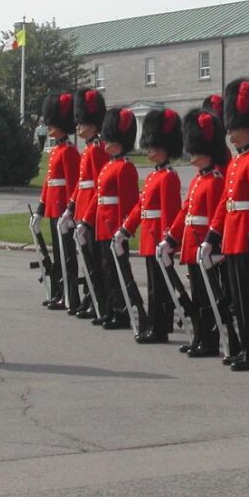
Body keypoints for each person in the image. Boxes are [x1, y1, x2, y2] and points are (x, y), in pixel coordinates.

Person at [202, 78, 249, 371]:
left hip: (246, 235)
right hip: (232, 234)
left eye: (233, 128)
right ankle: (244, 347)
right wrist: (213, 234)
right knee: (237, 298)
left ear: (248, 128)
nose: (229, 133)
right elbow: (225, 203)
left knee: (248, 299)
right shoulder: (235, 162)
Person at [161, 109, 229, 357]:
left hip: (204, 246)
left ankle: (210, 341)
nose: (192, 153)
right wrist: (171, 238)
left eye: (196, 149)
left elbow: (216, 218)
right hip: (192, 244)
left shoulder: (215, 181)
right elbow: (184, 212)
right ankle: (200, 337)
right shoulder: (199, 180)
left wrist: (214, 245)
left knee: (208, 297)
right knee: (197, 297)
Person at [117, 108, 183, 344]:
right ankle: (155, 325)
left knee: (161, 287)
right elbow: (141, 206)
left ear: (164, 147)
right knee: (153, 285)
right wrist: (126, 228)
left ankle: (161, 327)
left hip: (158, 237)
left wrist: (167, 240)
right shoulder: (155, 176)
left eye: (153, 145)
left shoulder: (168, 177)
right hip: (148, 234)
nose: (149, 149)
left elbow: (170, 211)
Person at [80, 107, 144, 331]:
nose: (104, 140)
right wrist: (86, 221)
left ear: (118, 140)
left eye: (109, 136)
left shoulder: (125, 168)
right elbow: (98, 196)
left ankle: (122, 311)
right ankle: (109, 309)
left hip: (114, 227)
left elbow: (128, 203)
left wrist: (123, 230)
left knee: (116, 272)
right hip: (101, 225)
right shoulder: (109, 165)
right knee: (104, 270)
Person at [60, 88, 109, 322]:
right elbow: (81, 184)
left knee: (94, 260)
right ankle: (91, 298)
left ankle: (96, 299)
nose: (78, 127)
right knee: (86, 258)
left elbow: (99, 186)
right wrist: (71, 207)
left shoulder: (97, 150)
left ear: (93, 125)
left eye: (82, 123)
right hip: (83, 208)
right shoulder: (89, 150)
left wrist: (87, 217)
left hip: (92, 211)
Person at [30, 93, 80, 312]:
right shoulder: (56, 151)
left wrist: (71, 212)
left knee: (67, 255)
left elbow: (72, 185)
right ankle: (59, 292)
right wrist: (41, 209)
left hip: (63, 211)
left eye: (51, 122)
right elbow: (48, 183)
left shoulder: (69, 151)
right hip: (53, 208)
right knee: (58, 254)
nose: (48, 126)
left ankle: (70, 295)